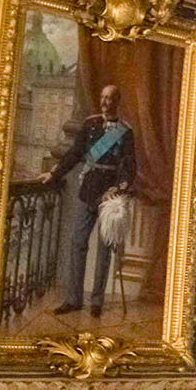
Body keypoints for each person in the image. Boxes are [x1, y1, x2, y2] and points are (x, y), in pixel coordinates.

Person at [44, 84, 134, 320]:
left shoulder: (125, 131)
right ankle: (73, 300)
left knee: (104, 250)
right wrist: (54, 174)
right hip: (87, 190)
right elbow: (74, 154)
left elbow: (130, 166)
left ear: (117, 101)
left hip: (108, 196)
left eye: (110, 98)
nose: (105, 102)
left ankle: (97, 301)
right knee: (78, 242)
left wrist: (120, 187)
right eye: (102, 97)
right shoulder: (90, 124)